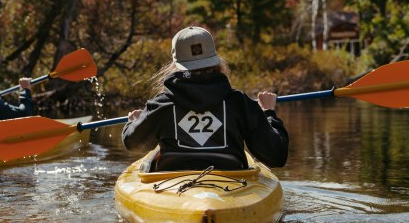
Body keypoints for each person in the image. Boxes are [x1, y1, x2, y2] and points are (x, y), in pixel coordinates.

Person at [122, 26, 289, 171]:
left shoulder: (161, 105)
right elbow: (276, 157)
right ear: (215, 61)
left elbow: (132, 143)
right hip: (231, 182)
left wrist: (133, 123)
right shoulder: (239, 103)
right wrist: (268, 113)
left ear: (176, 65)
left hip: (173, 185)